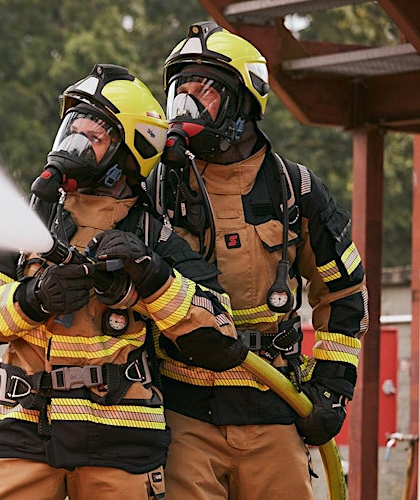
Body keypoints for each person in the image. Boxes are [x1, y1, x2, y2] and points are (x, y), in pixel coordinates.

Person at [0, 63, 247, 500]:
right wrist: (33, 299)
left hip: (122, 444)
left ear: (130, 152)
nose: (73, 144)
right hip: (24, 433)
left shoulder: (155, 237)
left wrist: (153, 279)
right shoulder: (24, 222)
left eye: (93, 136)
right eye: (71, 130)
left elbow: (221, 334)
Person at [149, 21, 369, 499]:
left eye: (203, 93)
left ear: (244, 103)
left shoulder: (296, 189)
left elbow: (344, 293)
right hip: (185, 410)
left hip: (274, 403)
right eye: (178, 92)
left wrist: (330, 389)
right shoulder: (158, 188)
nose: (185, 107)